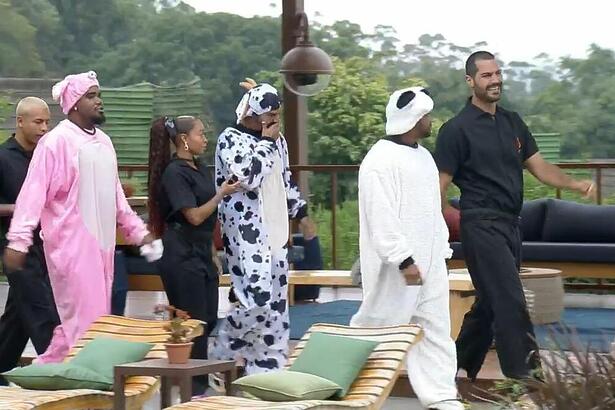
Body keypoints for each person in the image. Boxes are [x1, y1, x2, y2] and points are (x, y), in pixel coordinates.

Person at [435, 51, 595, 380]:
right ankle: (526, 380)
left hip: (511, 224)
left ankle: (454, 366)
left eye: (497, 73)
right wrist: (444, 215)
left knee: (491, 302)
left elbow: (539, 167)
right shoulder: (456, 130)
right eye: (486, 75)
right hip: (480, 224)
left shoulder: (512, 122)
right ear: (470, 81)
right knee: (510, 299)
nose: (494, 80)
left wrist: (575, 183)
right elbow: (439, 182)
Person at [3, 71, 159, 363]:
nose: (99, 101)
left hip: (102, 249)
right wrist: (19, 241)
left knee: (93, 326)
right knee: (83, 329)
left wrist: (139, 233)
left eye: (98, 95)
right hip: (70, 250)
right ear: (73, 103)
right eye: (91, 96)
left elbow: (117, 200)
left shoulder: (104, 142)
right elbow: (31, 196)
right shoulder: (56, 143)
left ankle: (54, 381)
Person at [351, 87, 463, 410]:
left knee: (436, 333)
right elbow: (380, 216)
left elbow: (432, 209)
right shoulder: (379, 161)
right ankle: (346, 394)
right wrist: (403, 259)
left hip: (430, 265)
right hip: (398, 270)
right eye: (426, 116)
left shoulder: (425, 157)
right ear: (415, 118)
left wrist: (440, 250)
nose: (430, 121)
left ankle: (442, 398)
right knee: (377, 335)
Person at [211, 80, 313, 374]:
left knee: (276, 309)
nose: (276, 122)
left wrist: (302, 213)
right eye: (272, 116)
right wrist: (267, 143)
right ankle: (221, 354)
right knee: (255, 302)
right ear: (255, 116)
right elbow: (247, 177)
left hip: (277, 230)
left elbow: (285, 178)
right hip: (246, 235)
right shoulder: (230, 140)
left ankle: (267, 370)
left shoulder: (277, 140)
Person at [147, 115, 238, 393]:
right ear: (184, 139)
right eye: (201, 133)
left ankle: (195, 379)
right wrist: (221, 194)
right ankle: (194, 388)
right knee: (193, 323)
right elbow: (195, 216)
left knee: (209, 317)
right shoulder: (175, 173)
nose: (205, 138)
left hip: (200, 253)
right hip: (180, 255)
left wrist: (212, 252)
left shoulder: (199, 167)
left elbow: (206, 224)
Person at [0, 97, 60, 382]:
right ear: (20, 122)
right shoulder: (2, 158)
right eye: (38, 122)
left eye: (47, 122)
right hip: (15, 248)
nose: (44, 128)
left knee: (18, 316)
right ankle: (58, 373)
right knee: (41, 309)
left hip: (47, 245)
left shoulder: (45, 156)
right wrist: (21, 207)